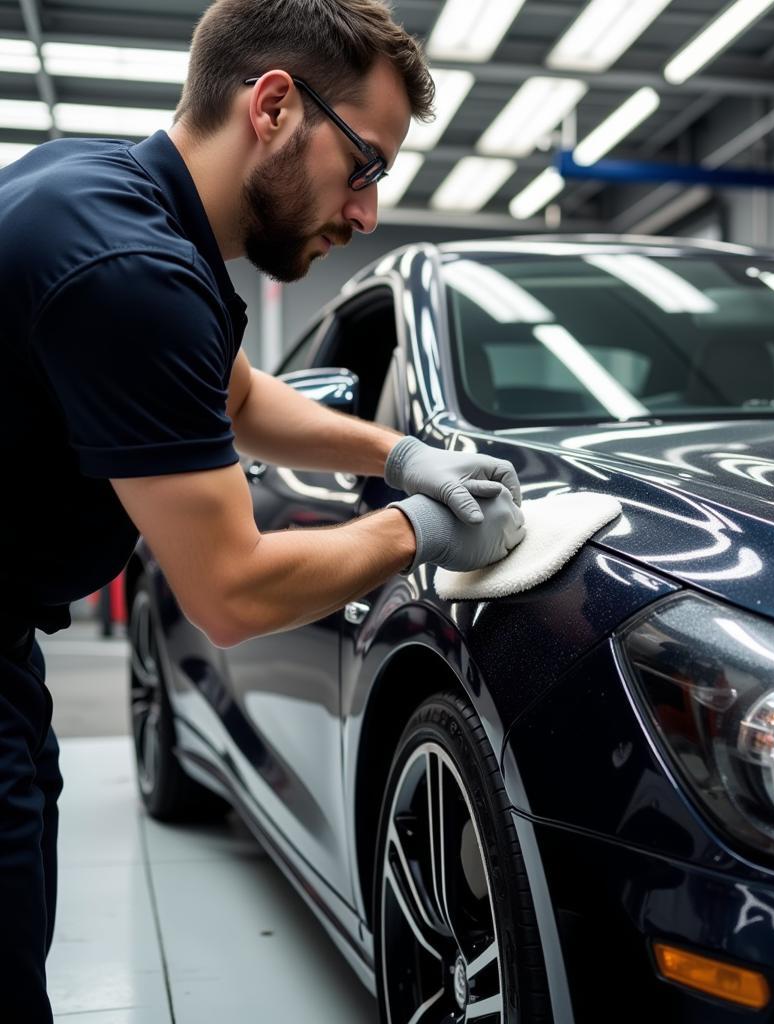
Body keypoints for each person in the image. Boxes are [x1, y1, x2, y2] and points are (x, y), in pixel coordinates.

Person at [0, 1, 525, 1019]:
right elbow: (231, 593)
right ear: (275, 104)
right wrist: (417, 530)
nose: (366, 210)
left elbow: (234, 397)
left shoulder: (105, 193)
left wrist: (402, 452)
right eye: (364, 165)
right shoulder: (134, 275)